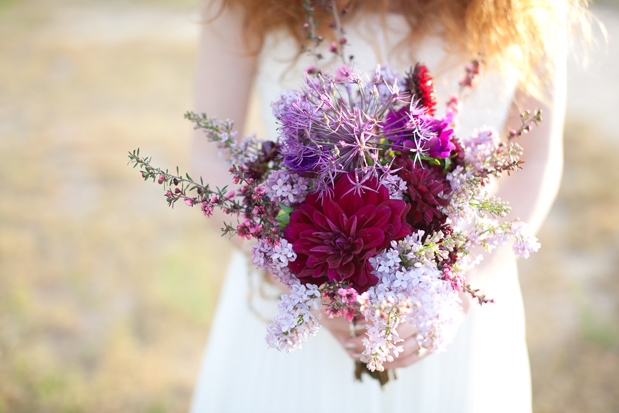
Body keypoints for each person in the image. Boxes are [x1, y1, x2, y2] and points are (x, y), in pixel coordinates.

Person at [189, 1, 587, 411]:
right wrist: (301, 285)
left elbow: (535, 161)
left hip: (447, 307)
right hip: (300, 311)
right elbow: (210, 159)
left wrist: (462, 290)